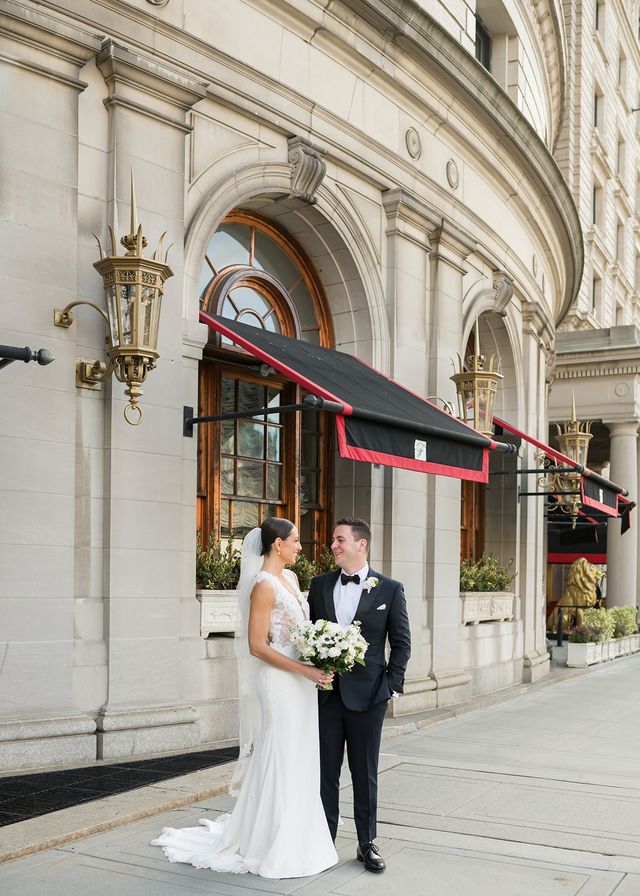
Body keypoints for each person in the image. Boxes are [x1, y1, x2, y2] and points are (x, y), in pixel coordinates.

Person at [152, 518, 338, 879]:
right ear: (277, 545)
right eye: (295, 541)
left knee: (300, 753)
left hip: (302, 681)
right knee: (281, 753)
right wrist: (305, 671)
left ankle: (301, 834)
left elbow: (300, 635)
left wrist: (320, 660)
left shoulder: (293, 580)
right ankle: (271, 842)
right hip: (281, 683)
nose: (301, 547)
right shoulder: (263, 585)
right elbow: (256, 646)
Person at [307, 516, 411, 873]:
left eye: (339, 540)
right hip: (326, 696)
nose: (333, 545)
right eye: (333, 540)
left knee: (365, 772)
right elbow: (308, 636)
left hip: (369, 697)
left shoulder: (389, 589)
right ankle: (324, 841)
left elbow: (401, 644)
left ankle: (367, 843)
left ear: (360, 544)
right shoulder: (319, 586)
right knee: (325, 773)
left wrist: (391, 687)